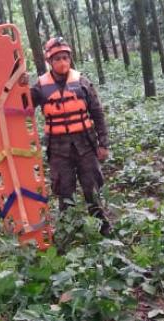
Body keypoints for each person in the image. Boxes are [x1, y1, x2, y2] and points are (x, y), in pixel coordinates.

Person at [23, 37, 112, 236]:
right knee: (64, 191)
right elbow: (23, 105)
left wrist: (103, 143)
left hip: (86, 145)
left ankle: (103, 227)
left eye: (65, 58)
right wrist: (21, 87)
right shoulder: (40, 87)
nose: (62, 62)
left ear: (70, 58)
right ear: (49, 61)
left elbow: (97, 114)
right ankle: (69, 231)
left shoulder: (82, 82)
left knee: (93, 188)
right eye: (57, 59)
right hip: (58, 149)